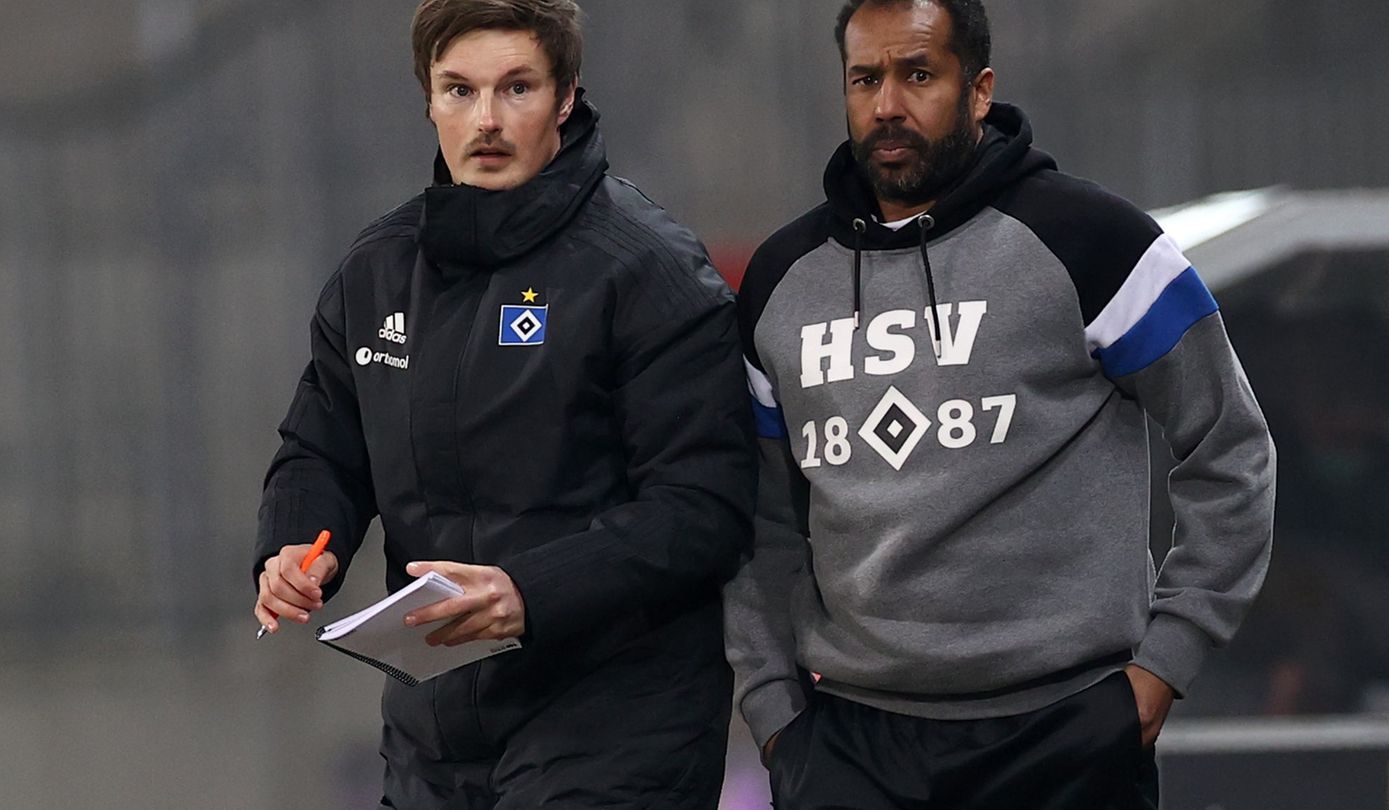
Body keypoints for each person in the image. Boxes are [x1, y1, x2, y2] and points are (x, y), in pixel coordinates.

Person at [723, 1, 1276, 807]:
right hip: (850, 746)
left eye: (918, 75)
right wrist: (776, 715)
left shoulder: (1095, 241)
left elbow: (1230, 448)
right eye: (865, 79)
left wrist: (1164, 664)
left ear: (978, 90)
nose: (888, 105)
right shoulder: (781, 281)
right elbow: (756, 519)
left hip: (1067, 729)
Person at [251, 1, 755, 807]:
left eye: (516, 88)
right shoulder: (377, 269)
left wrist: (528, 591)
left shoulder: (647, 269)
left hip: (616, 720)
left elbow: (704, 508)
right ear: (428, 99)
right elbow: (322, 450)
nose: (485, 119)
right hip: (433, 730)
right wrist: (295, 548)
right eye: (459, 90)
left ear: (566, 96)